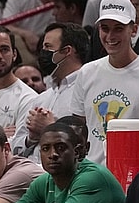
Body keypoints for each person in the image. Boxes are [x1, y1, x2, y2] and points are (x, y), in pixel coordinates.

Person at [74, 0, 139, 165]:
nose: (110, 36)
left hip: (134, 175)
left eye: (118, 28)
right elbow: (77, 128)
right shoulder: (87, 73)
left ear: (133, 30)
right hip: (93, 174)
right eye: (105, 28)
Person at [13, 22, 89, 162]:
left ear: (67, 51)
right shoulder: (41, 98)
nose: (42, 53)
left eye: (48, 47)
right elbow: (16, 149)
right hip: (30, 169)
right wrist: (31, 138)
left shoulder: (88, 90)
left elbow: (90, 143)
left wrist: (51, 128)